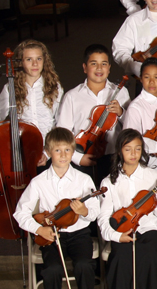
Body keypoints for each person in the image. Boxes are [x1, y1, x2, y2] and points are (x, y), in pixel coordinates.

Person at [13, 128, 100, 289]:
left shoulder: (83, 180)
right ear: (49, 152)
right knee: (51, 269)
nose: (63, 155)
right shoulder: (39, 182)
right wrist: (39, 228)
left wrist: (85, 211)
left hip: (79, 234)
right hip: (51, 235)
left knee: (84, 265)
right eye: (58, 150)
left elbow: (95, 212)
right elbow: (20, 213)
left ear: (73, 152)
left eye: (67, 150)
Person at [98, 129, 157, 289]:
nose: (133, 153)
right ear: (119, 151)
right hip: (123, 230)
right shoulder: (109, 181)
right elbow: (104, 217)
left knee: (151, 255)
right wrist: (115, 236)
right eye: (128, 149)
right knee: (122, 257)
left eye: (137, 149)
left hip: (148, 227)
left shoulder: (153, 176)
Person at [0, 39, 63, 168]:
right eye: (29, 59)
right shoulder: (11, 88)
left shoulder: (55, 87)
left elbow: (59, 121)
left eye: (39, 59)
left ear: (45, 61)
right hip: (22, 148)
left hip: (48, 147)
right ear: (20, 62)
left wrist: (47, 153)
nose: (35, 63)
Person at [56, 44, 131, 184]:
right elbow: (63, 134)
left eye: (103, 64)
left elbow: (131, 127)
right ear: (85, 67)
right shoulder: (72, 96)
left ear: (109, 68)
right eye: (93, 63)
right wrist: (77, 158)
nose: (99, 68)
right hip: (82, 157)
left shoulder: (121, 93)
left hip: (113, 158)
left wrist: (121, 112)